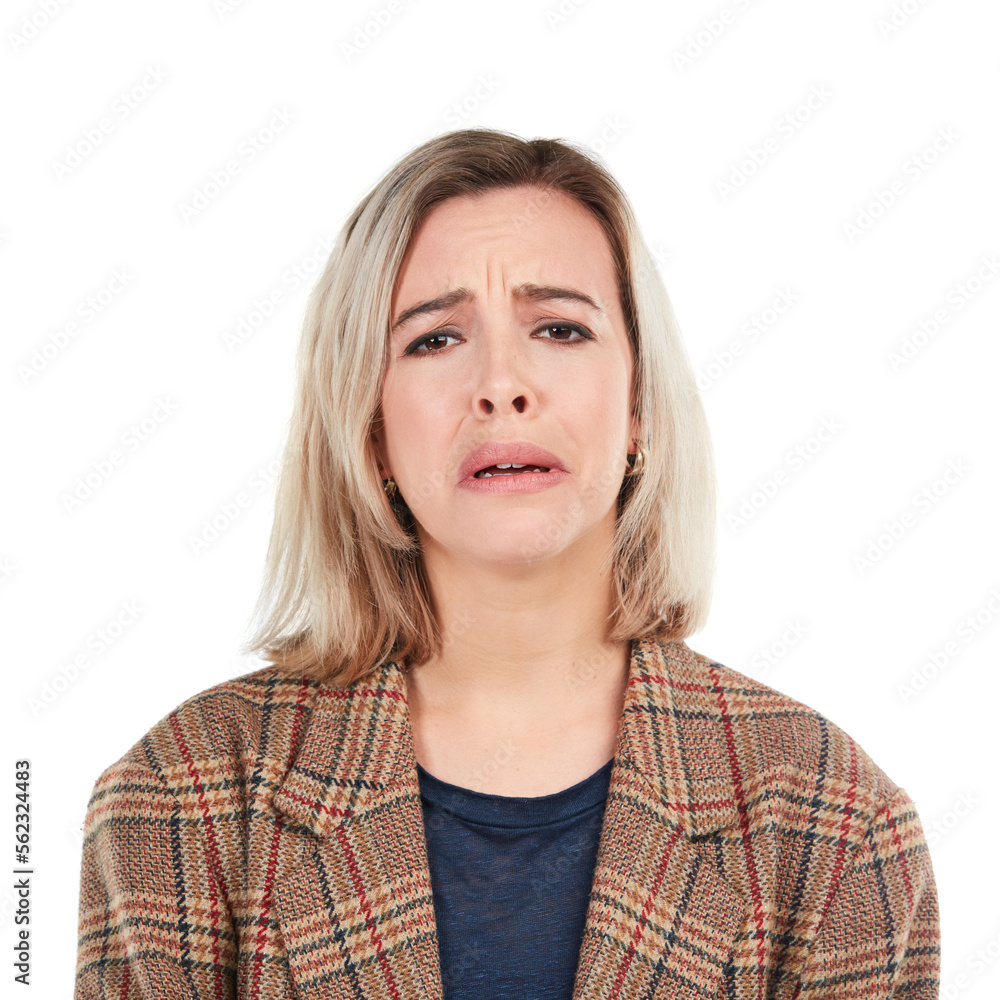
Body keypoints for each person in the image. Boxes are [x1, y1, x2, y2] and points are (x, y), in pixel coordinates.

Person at [74, 128, 940, 998]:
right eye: (434, 340)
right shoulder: (181, 798)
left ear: (639, 405)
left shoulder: (835, 827)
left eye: (560, 327)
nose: (501, 383)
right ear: (369, 429)